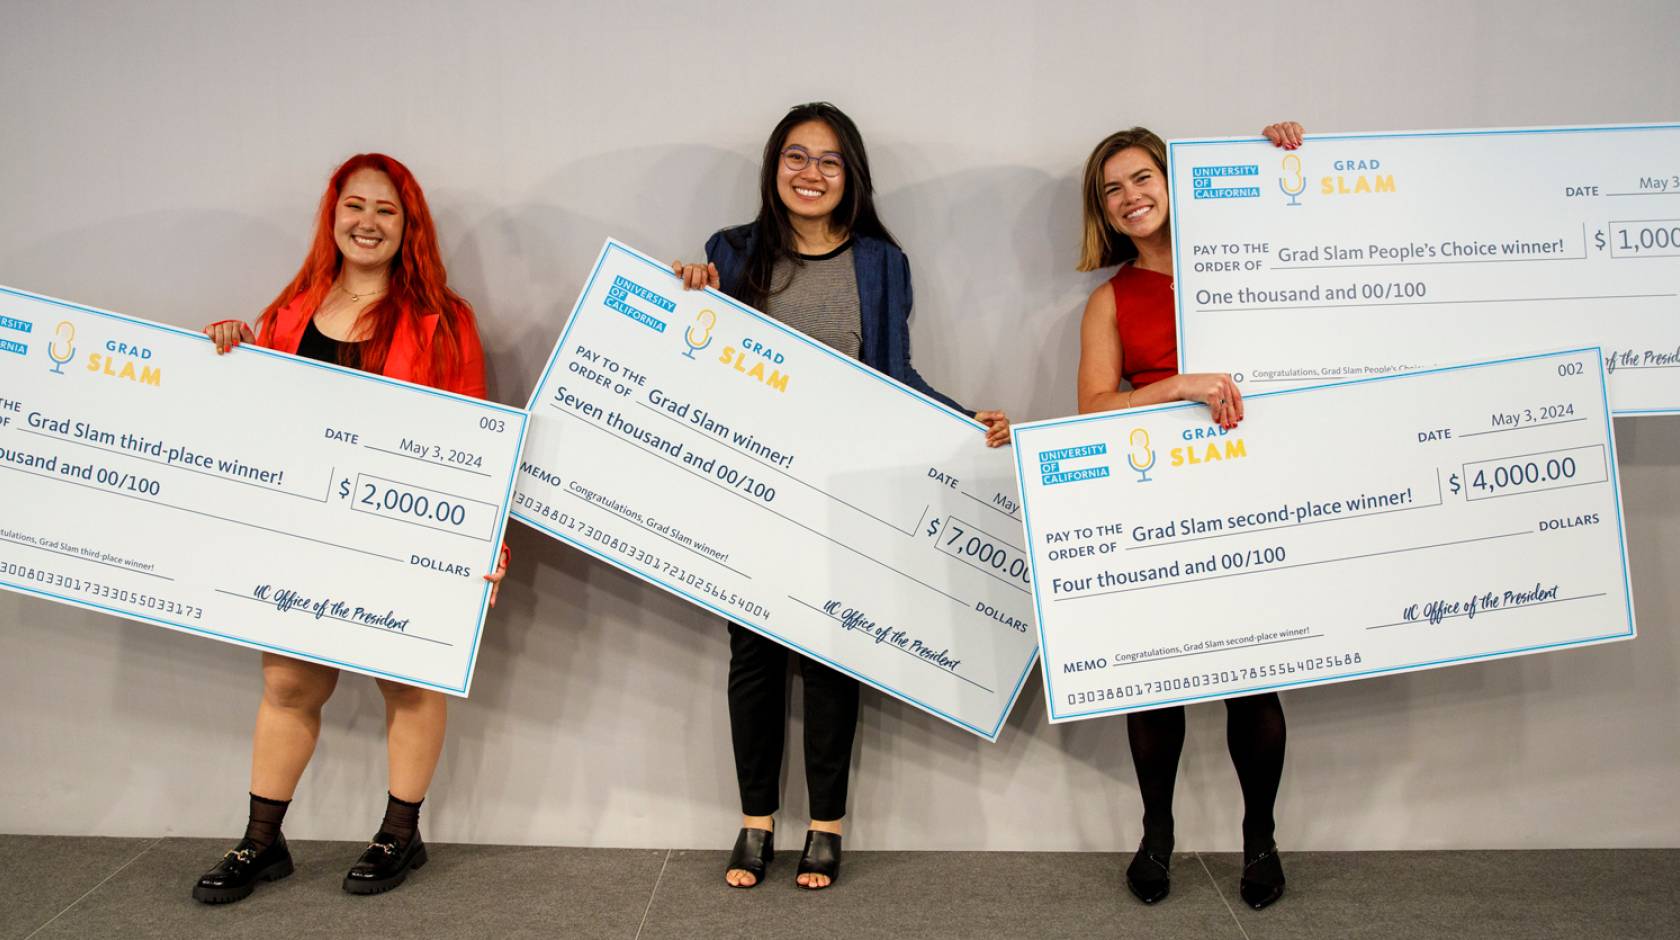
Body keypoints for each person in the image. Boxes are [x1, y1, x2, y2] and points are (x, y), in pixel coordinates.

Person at [672, 102, 1011, 890]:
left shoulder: (881, 263)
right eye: (796, 156)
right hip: (752, 489)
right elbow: (698, 362)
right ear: (774, 167)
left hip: (844, 494)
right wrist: (688, 297)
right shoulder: (731, 252)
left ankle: (826, 826)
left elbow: (895, 376)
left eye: (829, 161)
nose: (811, 173)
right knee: (752, 657)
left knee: (834, 654)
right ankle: (755, 823)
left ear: (851, 175)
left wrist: (965, 421)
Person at [191, 153, 508, 903]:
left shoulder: (444, 319)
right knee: (289, 683)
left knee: (407, 682)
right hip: (303, 533)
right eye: (354, 207)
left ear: (409, 226)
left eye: (386, 210)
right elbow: (254, 423)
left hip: (405, 537)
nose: (367, 222)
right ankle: (260, 844)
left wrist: (482, 544)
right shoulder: (287, 313)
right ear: (332, 217)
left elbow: (474, 441)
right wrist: (229, 352)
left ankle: (401, 833)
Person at [1074, 122, 1304, 909]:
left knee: (1253, 679)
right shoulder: (1109, 300)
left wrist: (1283, 154)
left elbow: (1318, 235)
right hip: (1156, 502)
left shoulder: (1248, 265)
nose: (1130, 197)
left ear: (1174, 184)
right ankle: (1157, 836)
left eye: (1142, 178)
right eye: (1112, 189)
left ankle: (1262, 840)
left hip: (1251, 490)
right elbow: (1093, 409)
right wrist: (1173, 386)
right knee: (1156, 680)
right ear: (1102, 212)